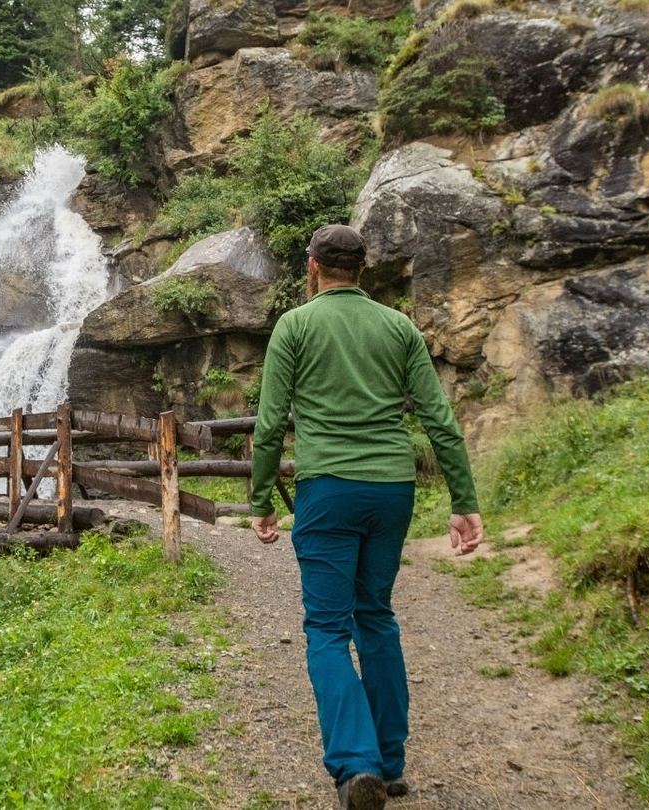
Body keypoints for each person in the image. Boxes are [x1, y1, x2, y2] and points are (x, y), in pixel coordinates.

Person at [248, 224, 484, 810]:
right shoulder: (399, 327)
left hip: (327, 488)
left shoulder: (295, 326)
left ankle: (356, 764)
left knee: (327, 627)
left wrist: (259, 501)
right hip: (392, 490)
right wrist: (464, 502)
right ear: (362, 269)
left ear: (312, 267)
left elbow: (270, 424)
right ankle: (391, 762)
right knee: (375, 614)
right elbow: (439, 419)